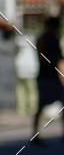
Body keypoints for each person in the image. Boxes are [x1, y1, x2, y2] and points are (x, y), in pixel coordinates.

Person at [31, 15, 64, 144]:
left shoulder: (55, 39)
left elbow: (60, 60)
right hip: (45, 77)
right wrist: (54, 60)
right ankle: (35, 134)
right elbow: (42, 58)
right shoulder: (42, 39)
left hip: (55, 78)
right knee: (41, 107)